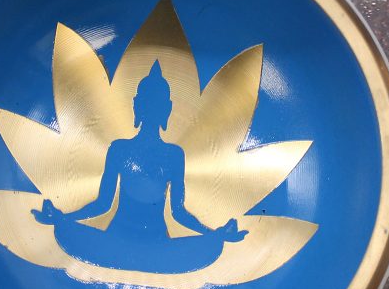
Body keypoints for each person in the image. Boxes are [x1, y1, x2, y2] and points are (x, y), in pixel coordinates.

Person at [32, 61, 246, 272]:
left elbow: (178, 212)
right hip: (117, 238)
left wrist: (213, 234)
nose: (153, 110)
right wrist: (63, 218)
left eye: (158, 105)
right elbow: (102, 204)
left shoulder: (174, 155)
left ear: (167, 109)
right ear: (137, 105)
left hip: (156, 243)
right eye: (149, 103)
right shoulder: (119, 149)